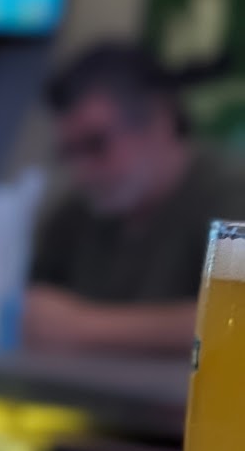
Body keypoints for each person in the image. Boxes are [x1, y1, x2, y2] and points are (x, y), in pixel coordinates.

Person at [25, 42, 245, 354]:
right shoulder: (75, 213)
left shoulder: (231, 194)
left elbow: (237, 318)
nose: (82, 172)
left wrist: (85, 326)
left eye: (96, 144)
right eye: (69, 152)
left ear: (160, 121)